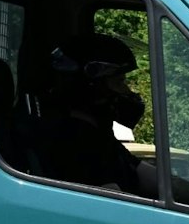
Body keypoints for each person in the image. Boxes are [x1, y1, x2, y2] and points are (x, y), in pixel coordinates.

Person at [27, 32, 158, 199]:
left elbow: (146, 176)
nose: (127, 91)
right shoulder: (76, 143)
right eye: (119, 82)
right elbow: (114, 204)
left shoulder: (98, 135)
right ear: (93, 87)